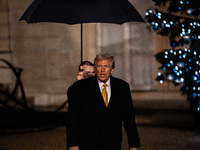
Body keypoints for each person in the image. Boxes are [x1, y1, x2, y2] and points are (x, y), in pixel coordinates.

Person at [66, 53, 140, 150]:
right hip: (87, 144)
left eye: (106, 66)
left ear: (112, 69)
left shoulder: (122, 87)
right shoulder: (80, 87)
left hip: (113, 144)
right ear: (95, 68)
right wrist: (73, 144)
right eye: (99, 66)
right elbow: (72, 118)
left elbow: (129, 118)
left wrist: (133, 145)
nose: (102, 70)